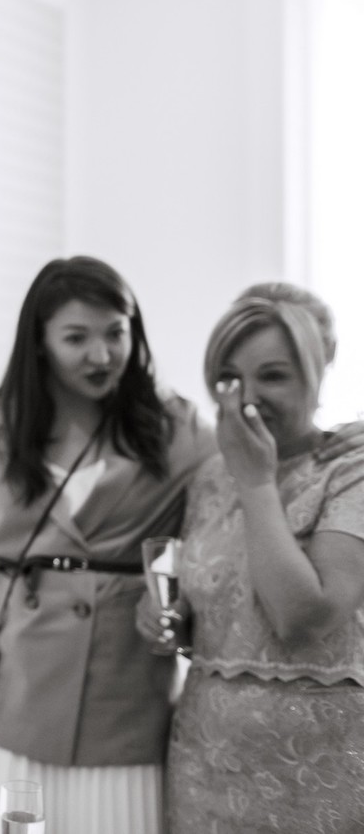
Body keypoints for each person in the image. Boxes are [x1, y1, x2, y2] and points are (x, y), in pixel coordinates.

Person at [0, 256, 218, 834]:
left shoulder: (179, 433)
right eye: (76, 338)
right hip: (12, 701)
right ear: (40, 342)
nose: (102, 355)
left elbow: (225, 527)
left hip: (125, 706)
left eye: (116, 333)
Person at [142, 283, 364, 833]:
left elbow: (302, 617)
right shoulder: (208, 479)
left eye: (273, 376)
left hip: (319, 779)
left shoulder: (350, 471)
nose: (247, 397)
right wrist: (171, 621)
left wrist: (257, 482)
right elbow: (218, 609)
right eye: (229, 378)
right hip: (206, 764)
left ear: (316, 374)